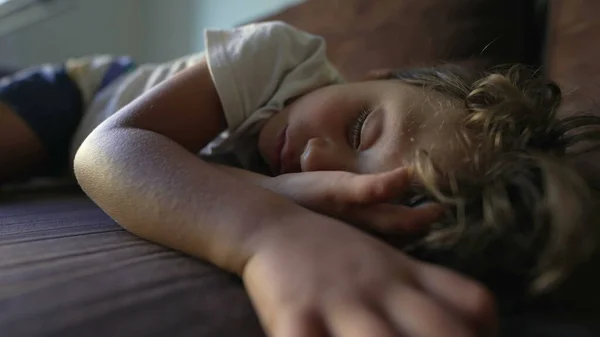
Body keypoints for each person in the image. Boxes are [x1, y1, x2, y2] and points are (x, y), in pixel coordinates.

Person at [1, 21, 598, 337]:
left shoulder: (312, 174)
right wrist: (270, 231)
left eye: (366, 191)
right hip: (82, 98)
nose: (316, 162)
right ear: (380, 74)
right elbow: (108, 152)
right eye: (362, 128)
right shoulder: (280, 59)